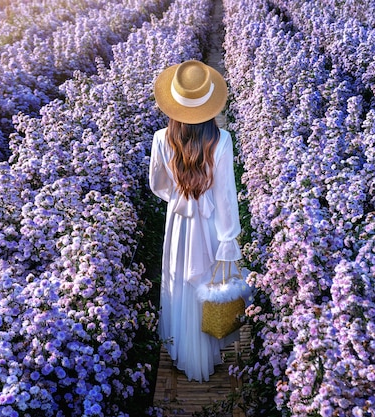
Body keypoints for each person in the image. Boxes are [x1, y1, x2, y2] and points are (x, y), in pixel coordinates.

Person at [149, 60, 243, 382]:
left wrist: (179, 199)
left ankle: (181, 350)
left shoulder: (162, 137)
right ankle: (206, 352)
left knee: (178, 279)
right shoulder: (221, 139)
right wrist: (229, 238)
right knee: (207, 281)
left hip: (178, 222)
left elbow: (157, 184)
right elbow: (226, 193)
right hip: (211, 221)